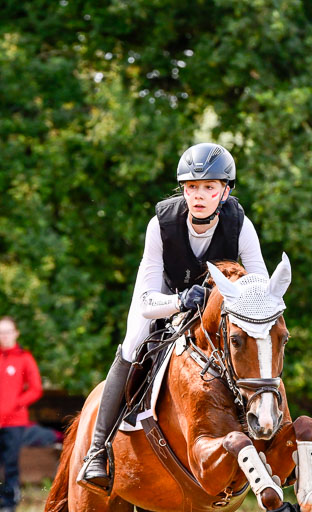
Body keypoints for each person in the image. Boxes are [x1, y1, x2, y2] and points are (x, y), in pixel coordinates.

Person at [78, 142, 269, 493]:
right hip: (164, 298)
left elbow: (261, 288)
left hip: (216, 312)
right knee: (133, 342)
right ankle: (97, 450)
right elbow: (146, 303)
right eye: (192, 187)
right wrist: (180, 300)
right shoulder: (161, 224)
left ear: (225, 192)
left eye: (209, 187)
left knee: (261, 343)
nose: (199, 195)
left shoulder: (240, 225)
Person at [0, 316, 43, 512]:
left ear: (15, 333)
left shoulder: (24, 358)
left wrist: (16, 404)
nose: (4, 336)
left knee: (10, 462)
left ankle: (9, 502)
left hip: (14, 422)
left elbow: (35, 389)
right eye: (1, 332)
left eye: (7, 332)